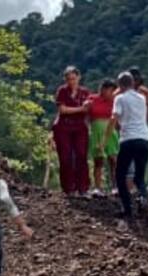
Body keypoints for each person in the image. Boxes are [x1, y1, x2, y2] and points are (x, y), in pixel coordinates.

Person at [110, 70, 148, 225]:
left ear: (120, 85)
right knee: (139, 176)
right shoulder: (142, 98)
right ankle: (143, 198)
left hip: (128, 140)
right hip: (145, 139)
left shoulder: (119, 98)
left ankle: (127, 209)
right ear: (133, 83)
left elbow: (114, 118)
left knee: (120, 176)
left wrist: (106, 138)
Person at [52, 65, 92, 197]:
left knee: (81, 155)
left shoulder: (85, 92)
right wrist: (80, 109)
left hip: (80, 127)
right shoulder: (62, 91)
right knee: (65, 157)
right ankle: (69, 188)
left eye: (74, 79)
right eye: (69, 79)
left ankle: (83, 187)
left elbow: (89, 108)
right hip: (64, 126)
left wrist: (78, 110)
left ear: (78, 78)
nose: (71, 81)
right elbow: (62, 110)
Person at [88, 78, 119, 196]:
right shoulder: (92, 99)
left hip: (111, 132)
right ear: (103, 89)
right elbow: (86, 115)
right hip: (96, 131)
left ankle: (115, 186)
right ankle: (97, 187)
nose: (112, 93)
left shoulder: (115, 101)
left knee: (113, 159)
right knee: (98, 160)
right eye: (110, 90)